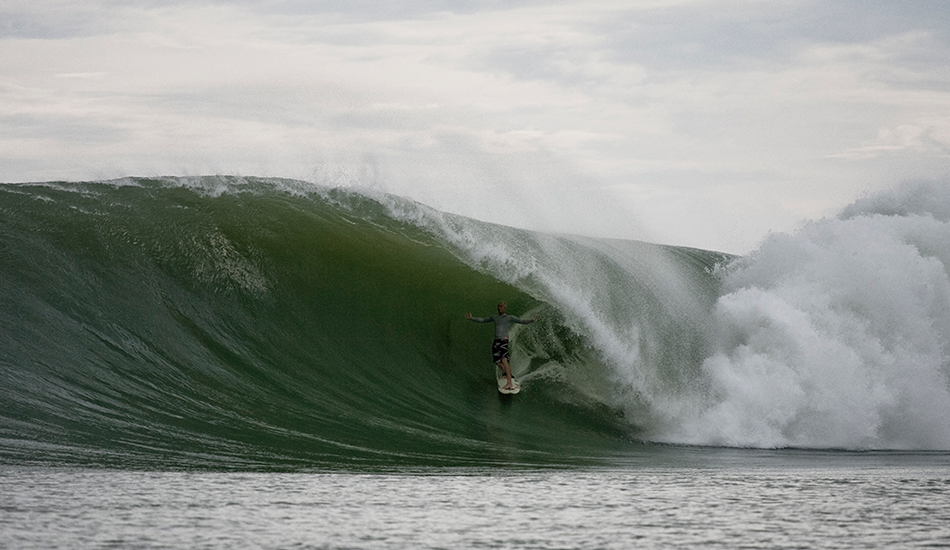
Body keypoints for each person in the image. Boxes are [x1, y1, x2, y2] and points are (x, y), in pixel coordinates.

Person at [465, 301, 537, 391]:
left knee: (504, 360)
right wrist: (472, 318)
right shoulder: (494, 317)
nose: (499, 308)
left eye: (501, 306)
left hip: (503, 341)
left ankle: (509, 383)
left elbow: (521, 321)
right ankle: (508, 375)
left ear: (505, 307)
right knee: (497, 361)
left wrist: (531, 320)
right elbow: (483, 320)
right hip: (496, 342)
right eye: (498, 306)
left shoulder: (509, 317)